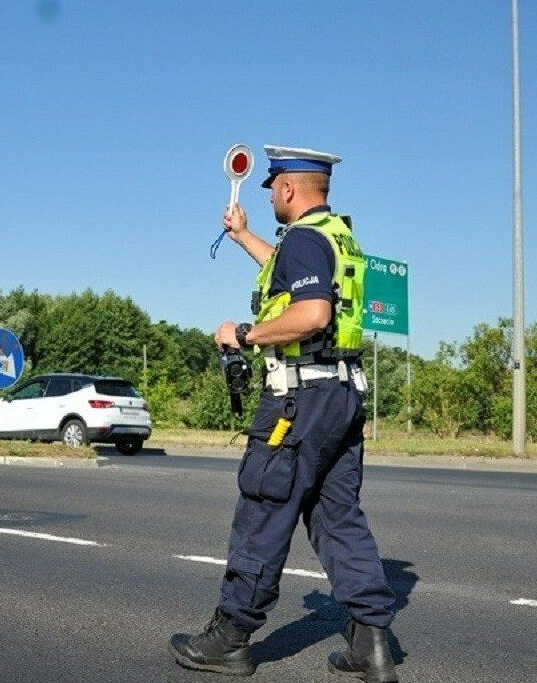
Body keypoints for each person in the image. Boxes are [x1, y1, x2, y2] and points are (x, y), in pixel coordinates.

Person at [170, 146, 398, 681]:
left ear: (289, 189)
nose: (269, 193)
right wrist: (243, 235)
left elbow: (312, 312)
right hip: (342, 398)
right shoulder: (335, 235)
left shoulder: (300, 239)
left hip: (298, 401)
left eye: (272, 186)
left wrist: (245, 335)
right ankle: (372, 643)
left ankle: (229, 638)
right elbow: (293, 278)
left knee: (264, 507)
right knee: (337, 513)